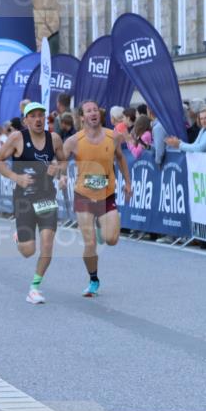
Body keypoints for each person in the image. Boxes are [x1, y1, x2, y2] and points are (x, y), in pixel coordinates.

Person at [0, 102, 67, 304]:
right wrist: (16, 177)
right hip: (23, 198)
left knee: (48, 245)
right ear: (25, 120)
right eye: (32, 116)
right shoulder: (17, 138)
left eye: (41, 115)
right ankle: (20, 237)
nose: (38, 119)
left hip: (46, 197)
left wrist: (60, 173)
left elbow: (63, 160)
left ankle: (34, 288)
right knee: (28, 251)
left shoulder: (55, 139)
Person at [62, 100, 133, 297]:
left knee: (111, 239)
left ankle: (104, 227)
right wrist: (61, 175)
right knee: (90, 244)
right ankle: (93, 278)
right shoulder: (74, 141)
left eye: (95, 110)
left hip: (106, 193)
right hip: (83, 196)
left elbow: (120, 158)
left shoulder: (113, 137)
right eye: (88, 111)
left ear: (99, 115)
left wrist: (128, 182)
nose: (93, 113)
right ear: (82, 117)